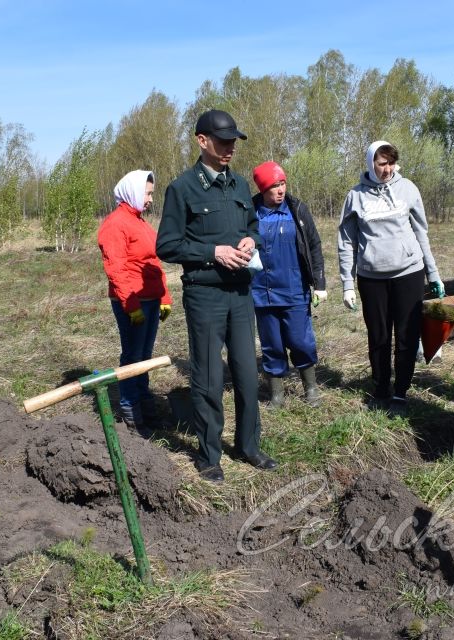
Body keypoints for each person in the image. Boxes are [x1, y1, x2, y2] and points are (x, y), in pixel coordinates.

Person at [156, 109, 277, 483]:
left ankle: (248, 445)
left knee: (244, 370)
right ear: (202, 141)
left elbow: (254, 228)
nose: (230, 148)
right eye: (223, 141)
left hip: (241, 292)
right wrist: (213, 253)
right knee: (208, 375)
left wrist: (248, 240)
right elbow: (167, 245)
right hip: (205, 295)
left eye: (233, 142)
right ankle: (209, 455)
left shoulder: (240, 186)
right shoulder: (182, 188)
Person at [338, 141, 445, 413]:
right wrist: (348, 284)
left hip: (408, 272)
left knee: (407, 335)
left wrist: (433, 274)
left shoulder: (408, 189)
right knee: (379, 336)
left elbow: (421, 233)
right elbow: (346, 241)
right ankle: (381, 388)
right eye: (381, 163)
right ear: (370, 163)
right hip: (372, 277)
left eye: (391, 163)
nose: (387, 169)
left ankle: (401, 391)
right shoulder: (356, 196)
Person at [97, 170, 172, 435]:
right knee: (132, 355)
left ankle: (144, 402)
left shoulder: (140, 222)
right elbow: (115, 269)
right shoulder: (115, 224)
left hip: (150, 300)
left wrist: (164, 296)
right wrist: (132, 306)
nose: (151, 198)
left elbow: (153, 262)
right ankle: (130, 409)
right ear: (132, 191)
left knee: (144, 356)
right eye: (147, 193)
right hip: (132, 302)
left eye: (151, 193)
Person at [250, 161, 326, 408]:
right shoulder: (250, 212)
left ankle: (311, 387)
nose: (280, 190)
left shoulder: (297, 210)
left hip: (294, 289)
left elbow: (313, 245)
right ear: (262, 189)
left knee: (301, 340)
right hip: (263, 291)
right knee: (271, 343)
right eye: (274, 186)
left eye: (282, 183)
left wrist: (319, 283)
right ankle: (276, 394)